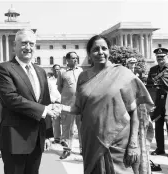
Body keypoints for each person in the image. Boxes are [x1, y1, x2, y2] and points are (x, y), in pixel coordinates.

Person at [56, 35, 154, 173]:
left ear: (109, 51)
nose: (100, 52)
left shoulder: (122, 74)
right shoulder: (83, 77)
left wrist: (133, 144)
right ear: (89, 54)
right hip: (91, 140)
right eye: (96, 49)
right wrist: (60, 107)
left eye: (104, 48)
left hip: (118, 141)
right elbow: (78, 107)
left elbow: (134, 112)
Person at [0, 29, 59, 174]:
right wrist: (44, 110)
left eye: (31, 44)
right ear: (14, 45)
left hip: (37, 138)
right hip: (15, 138)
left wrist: (48, 134)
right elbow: (11, 99)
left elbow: (46, 102)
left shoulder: (40, 71)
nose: (28, 47)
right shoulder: (3, 69)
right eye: (24, 43)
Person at [57, 51, 83, 159]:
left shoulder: (81, 70)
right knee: (67, 127)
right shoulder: (62, 72)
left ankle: (83, 149)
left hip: (80, 103)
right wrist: (67, 96)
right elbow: (59, 87)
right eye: (73, 58)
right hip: (68, 103)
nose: (75, 60)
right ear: (67, 60)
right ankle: (67, 150)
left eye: (76, 58)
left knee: (81, 126)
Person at [147, 47, 168, 156]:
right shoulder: (153, 70)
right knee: (158, 126)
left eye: (162, 57)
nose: (160, 58)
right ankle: (160, 148)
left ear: (166, 57)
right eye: (158, 57)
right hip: (158, 101)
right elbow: (149, 86)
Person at [48, 64, 61, 144]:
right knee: (56, 121)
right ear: (52, 70)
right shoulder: (49, 81)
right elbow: (48, 92)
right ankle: (57, 138)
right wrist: (54, 100)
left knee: (67, 122)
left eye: (58, 69)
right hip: (55, 102)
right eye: (55, 69)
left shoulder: (63, 79)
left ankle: (66, 139)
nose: (57, 71)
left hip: (64, 102)